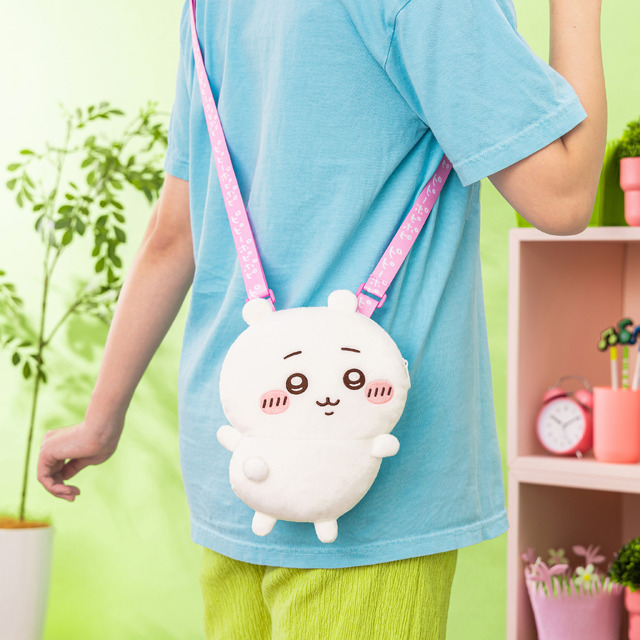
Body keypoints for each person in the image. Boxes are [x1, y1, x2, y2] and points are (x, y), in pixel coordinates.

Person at [37, 0, 606, 637]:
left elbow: (174, 234)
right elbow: (563, 197)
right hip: (369, 480)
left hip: (238, 456)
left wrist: (101, 418)